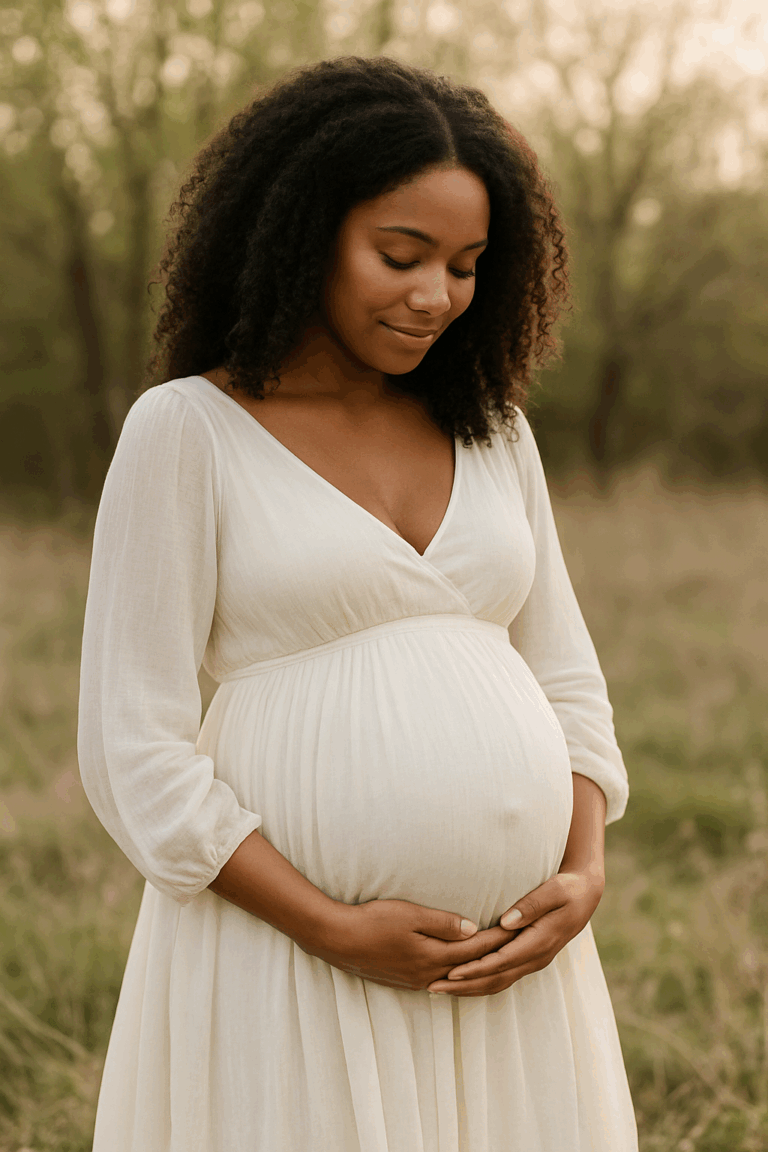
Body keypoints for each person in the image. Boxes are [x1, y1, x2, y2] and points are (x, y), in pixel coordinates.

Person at [77, 55, 638, 1151]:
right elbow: (132, 747)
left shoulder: (494, 432)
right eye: (401, 254)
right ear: (302, 233)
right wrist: (332, 927)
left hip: (512, 969)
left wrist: (582, 872)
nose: (437, 296)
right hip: (289, 965)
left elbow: (567, 678)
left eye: (467, 266)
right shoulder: (187, 431)